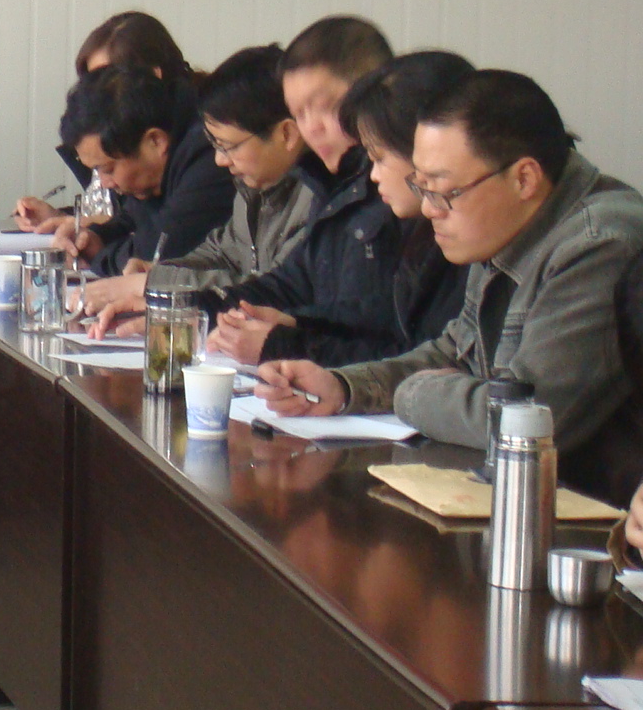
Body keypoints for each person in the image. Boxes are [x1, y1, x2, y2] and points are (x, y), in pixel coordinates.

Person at [259, 70, 643, 504]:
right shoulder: (503, 222)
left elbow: (525, 420)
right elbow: (456, 352)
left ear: (524, 178)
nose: (428, 209)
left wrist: (415, 393)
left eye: (442, 191)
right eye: (421, 187)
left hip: (595, 520)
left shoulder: (599, 245)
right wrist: (344, 387)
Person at [255, 51, 475, 363]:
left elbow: (433, 360)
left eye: (379, 157)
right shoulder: (424, 228)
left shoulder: (464, 237)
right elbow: (387, 316)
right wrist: (298, 323)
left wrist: (290, 343)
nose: (373, 174)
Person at [200, 16, 396, 364]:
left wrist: (284, 341)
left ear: (375, 99)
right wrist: (187, 307)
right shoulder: (331, 184)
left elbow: (390, 339)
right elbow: (291, 284)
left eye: (324, 107)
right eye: (300, 113)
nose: (311, 128)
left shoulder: (399, 198)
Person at [83, 43, 316, 325]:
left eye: (229, 146)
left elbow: (271, 289)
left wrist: (154, 285)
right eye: (216, 146)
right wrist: (159, 273)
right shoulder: (253, 185)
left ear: (287, 134)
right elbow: (221, 252)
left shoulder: (316, 199)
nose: (219, 160)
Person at [44, 64, 234, 276]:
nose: (104, 183)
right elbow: (132, 217)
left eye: (108, 169)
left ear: (155, 141)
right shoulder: (153, 168)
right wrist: (93, 236)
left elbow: (157, 251)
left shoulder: (209, 158)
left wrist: (97, 256)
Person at [14, 11, 197, 224]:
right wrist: (62, 219)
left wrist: (83, 226)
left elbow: (151, 231)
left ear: (152, 76)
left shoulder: (202, 146)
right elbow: (121, 218)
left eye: (111, 78)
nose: (97, 92)